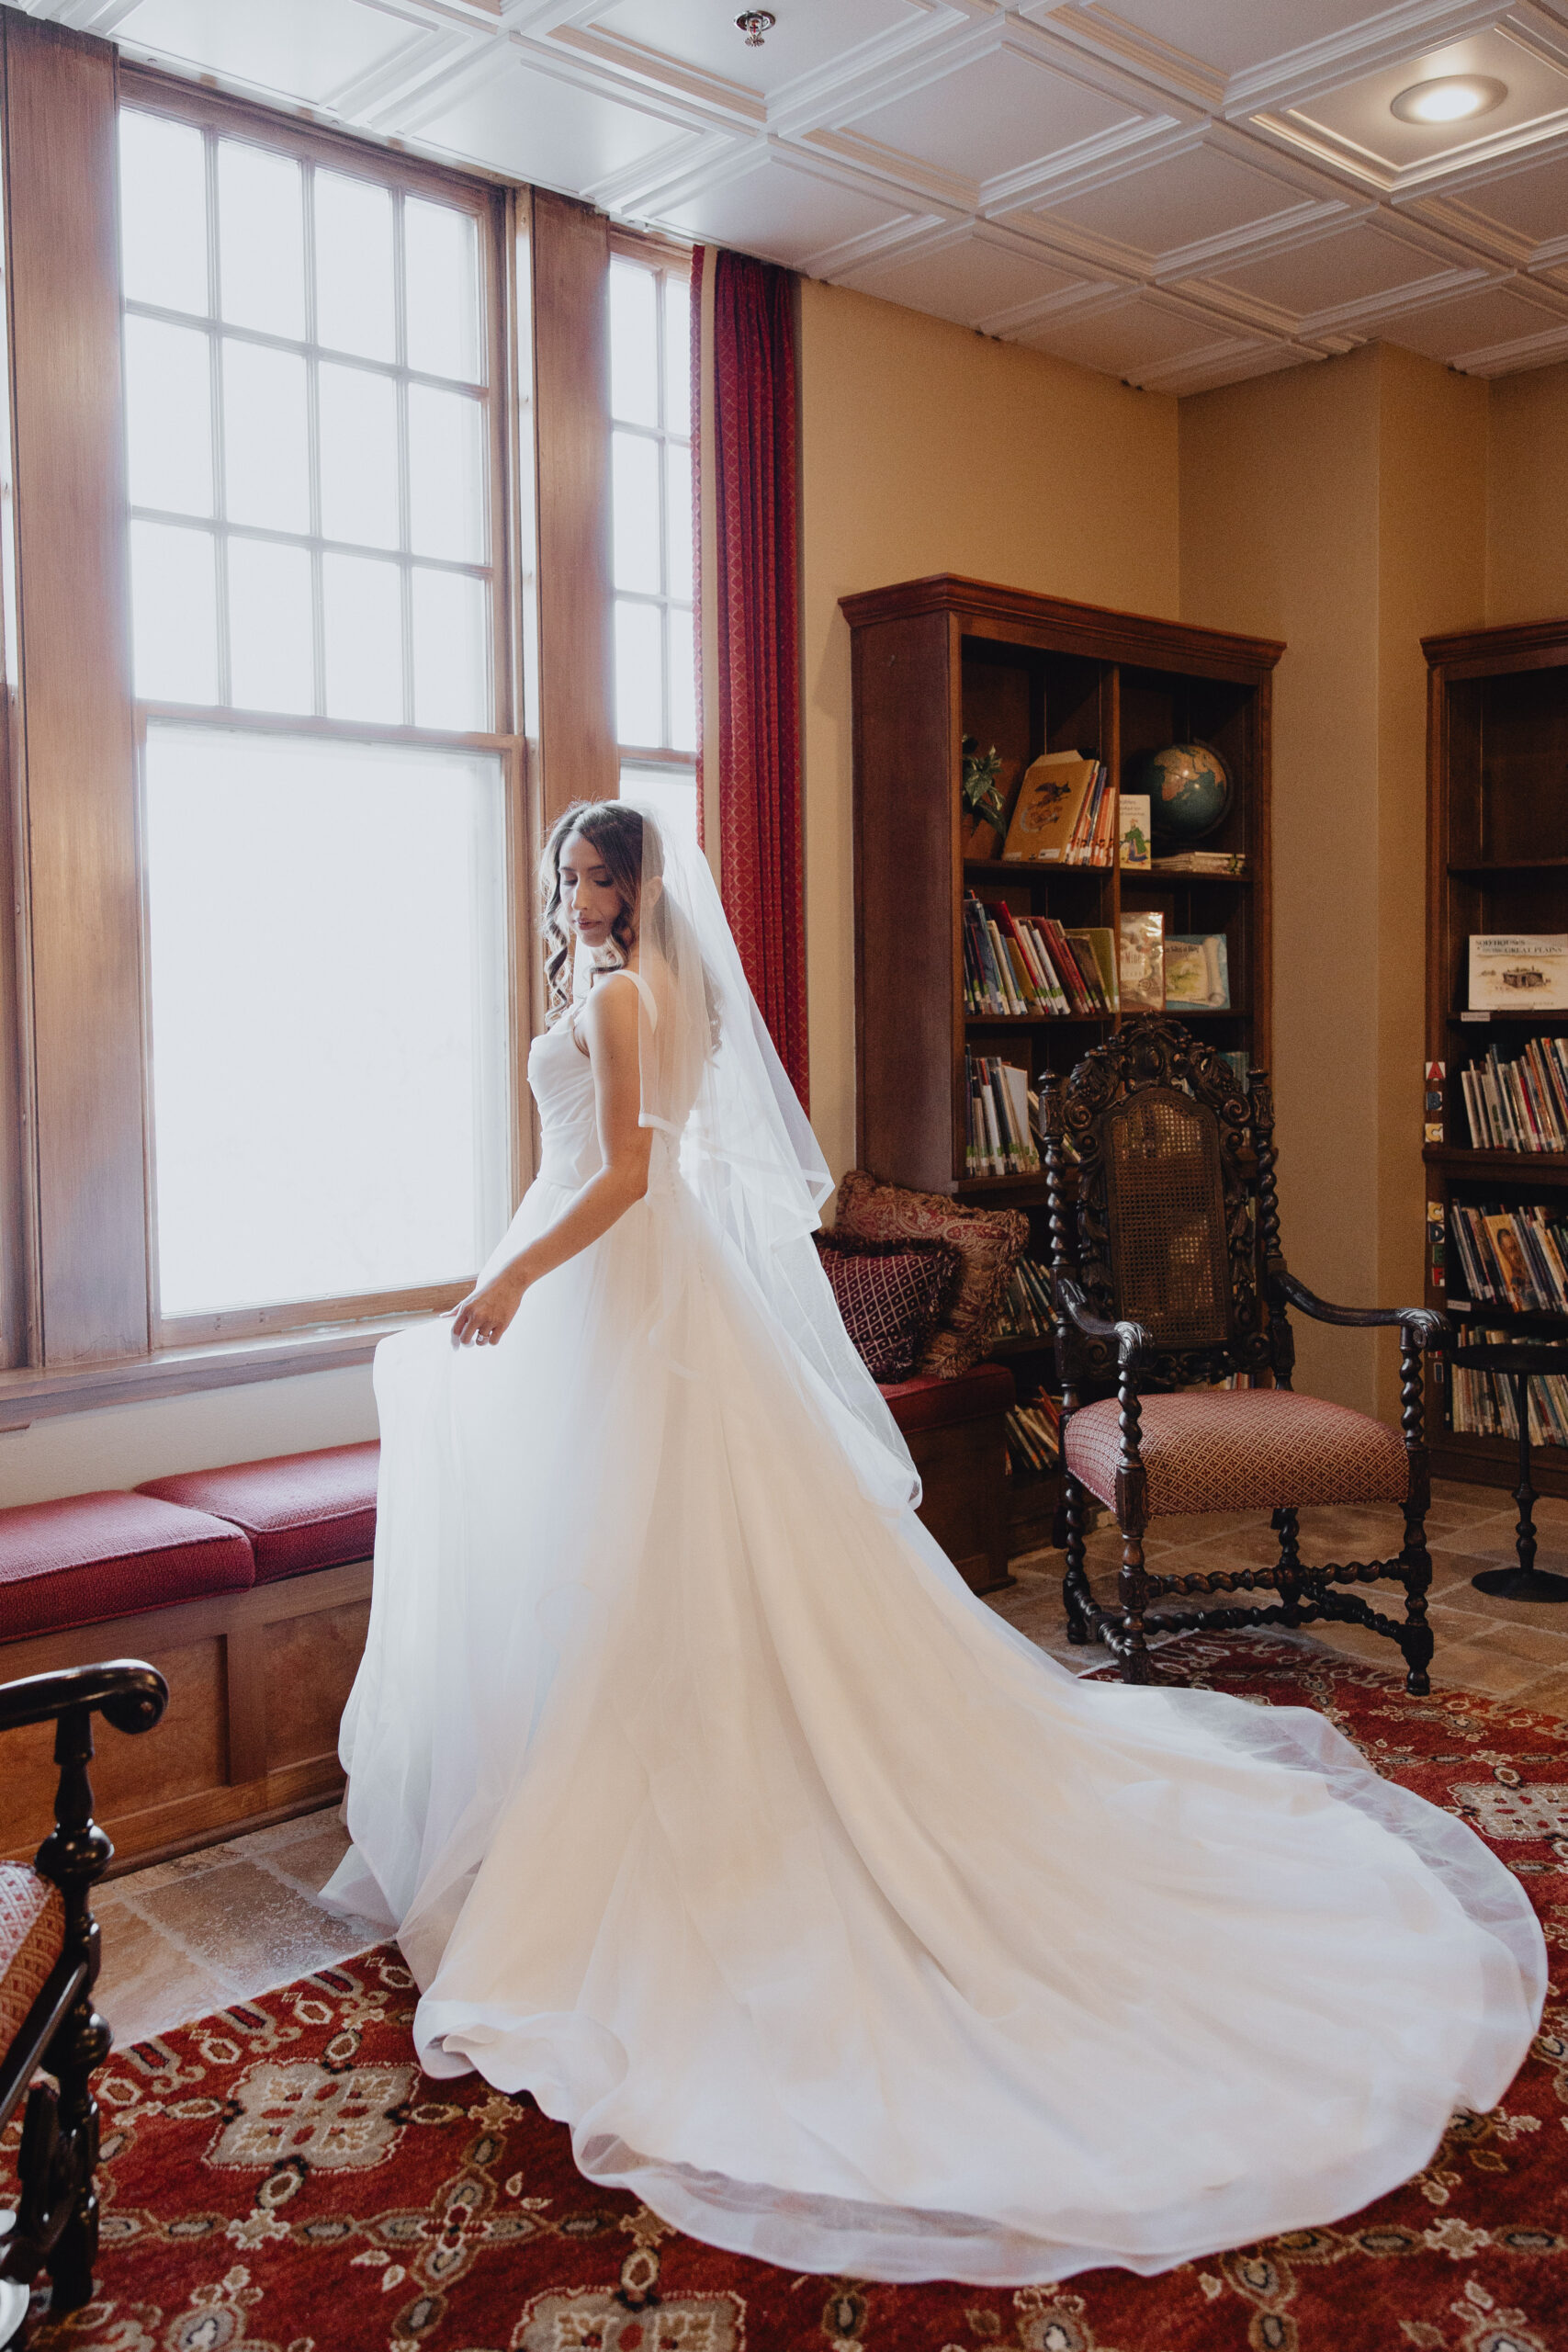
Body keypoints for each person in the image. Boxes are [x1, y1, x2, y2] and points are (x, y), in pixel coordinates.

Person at [323, 800, 1545, 2288]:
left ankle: (688, 1813)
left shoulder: (634, 991)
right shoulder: (596, 982)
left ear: (644, 891)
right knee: (602, 1554)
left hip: (617, 1282)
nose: (579, 896)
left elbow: (636, 1174)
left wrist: (511, 1271)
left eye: (603, 876)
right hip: (613, 1293)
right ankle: (602, 1782)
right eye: (568, 875)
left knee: (649, 1542)